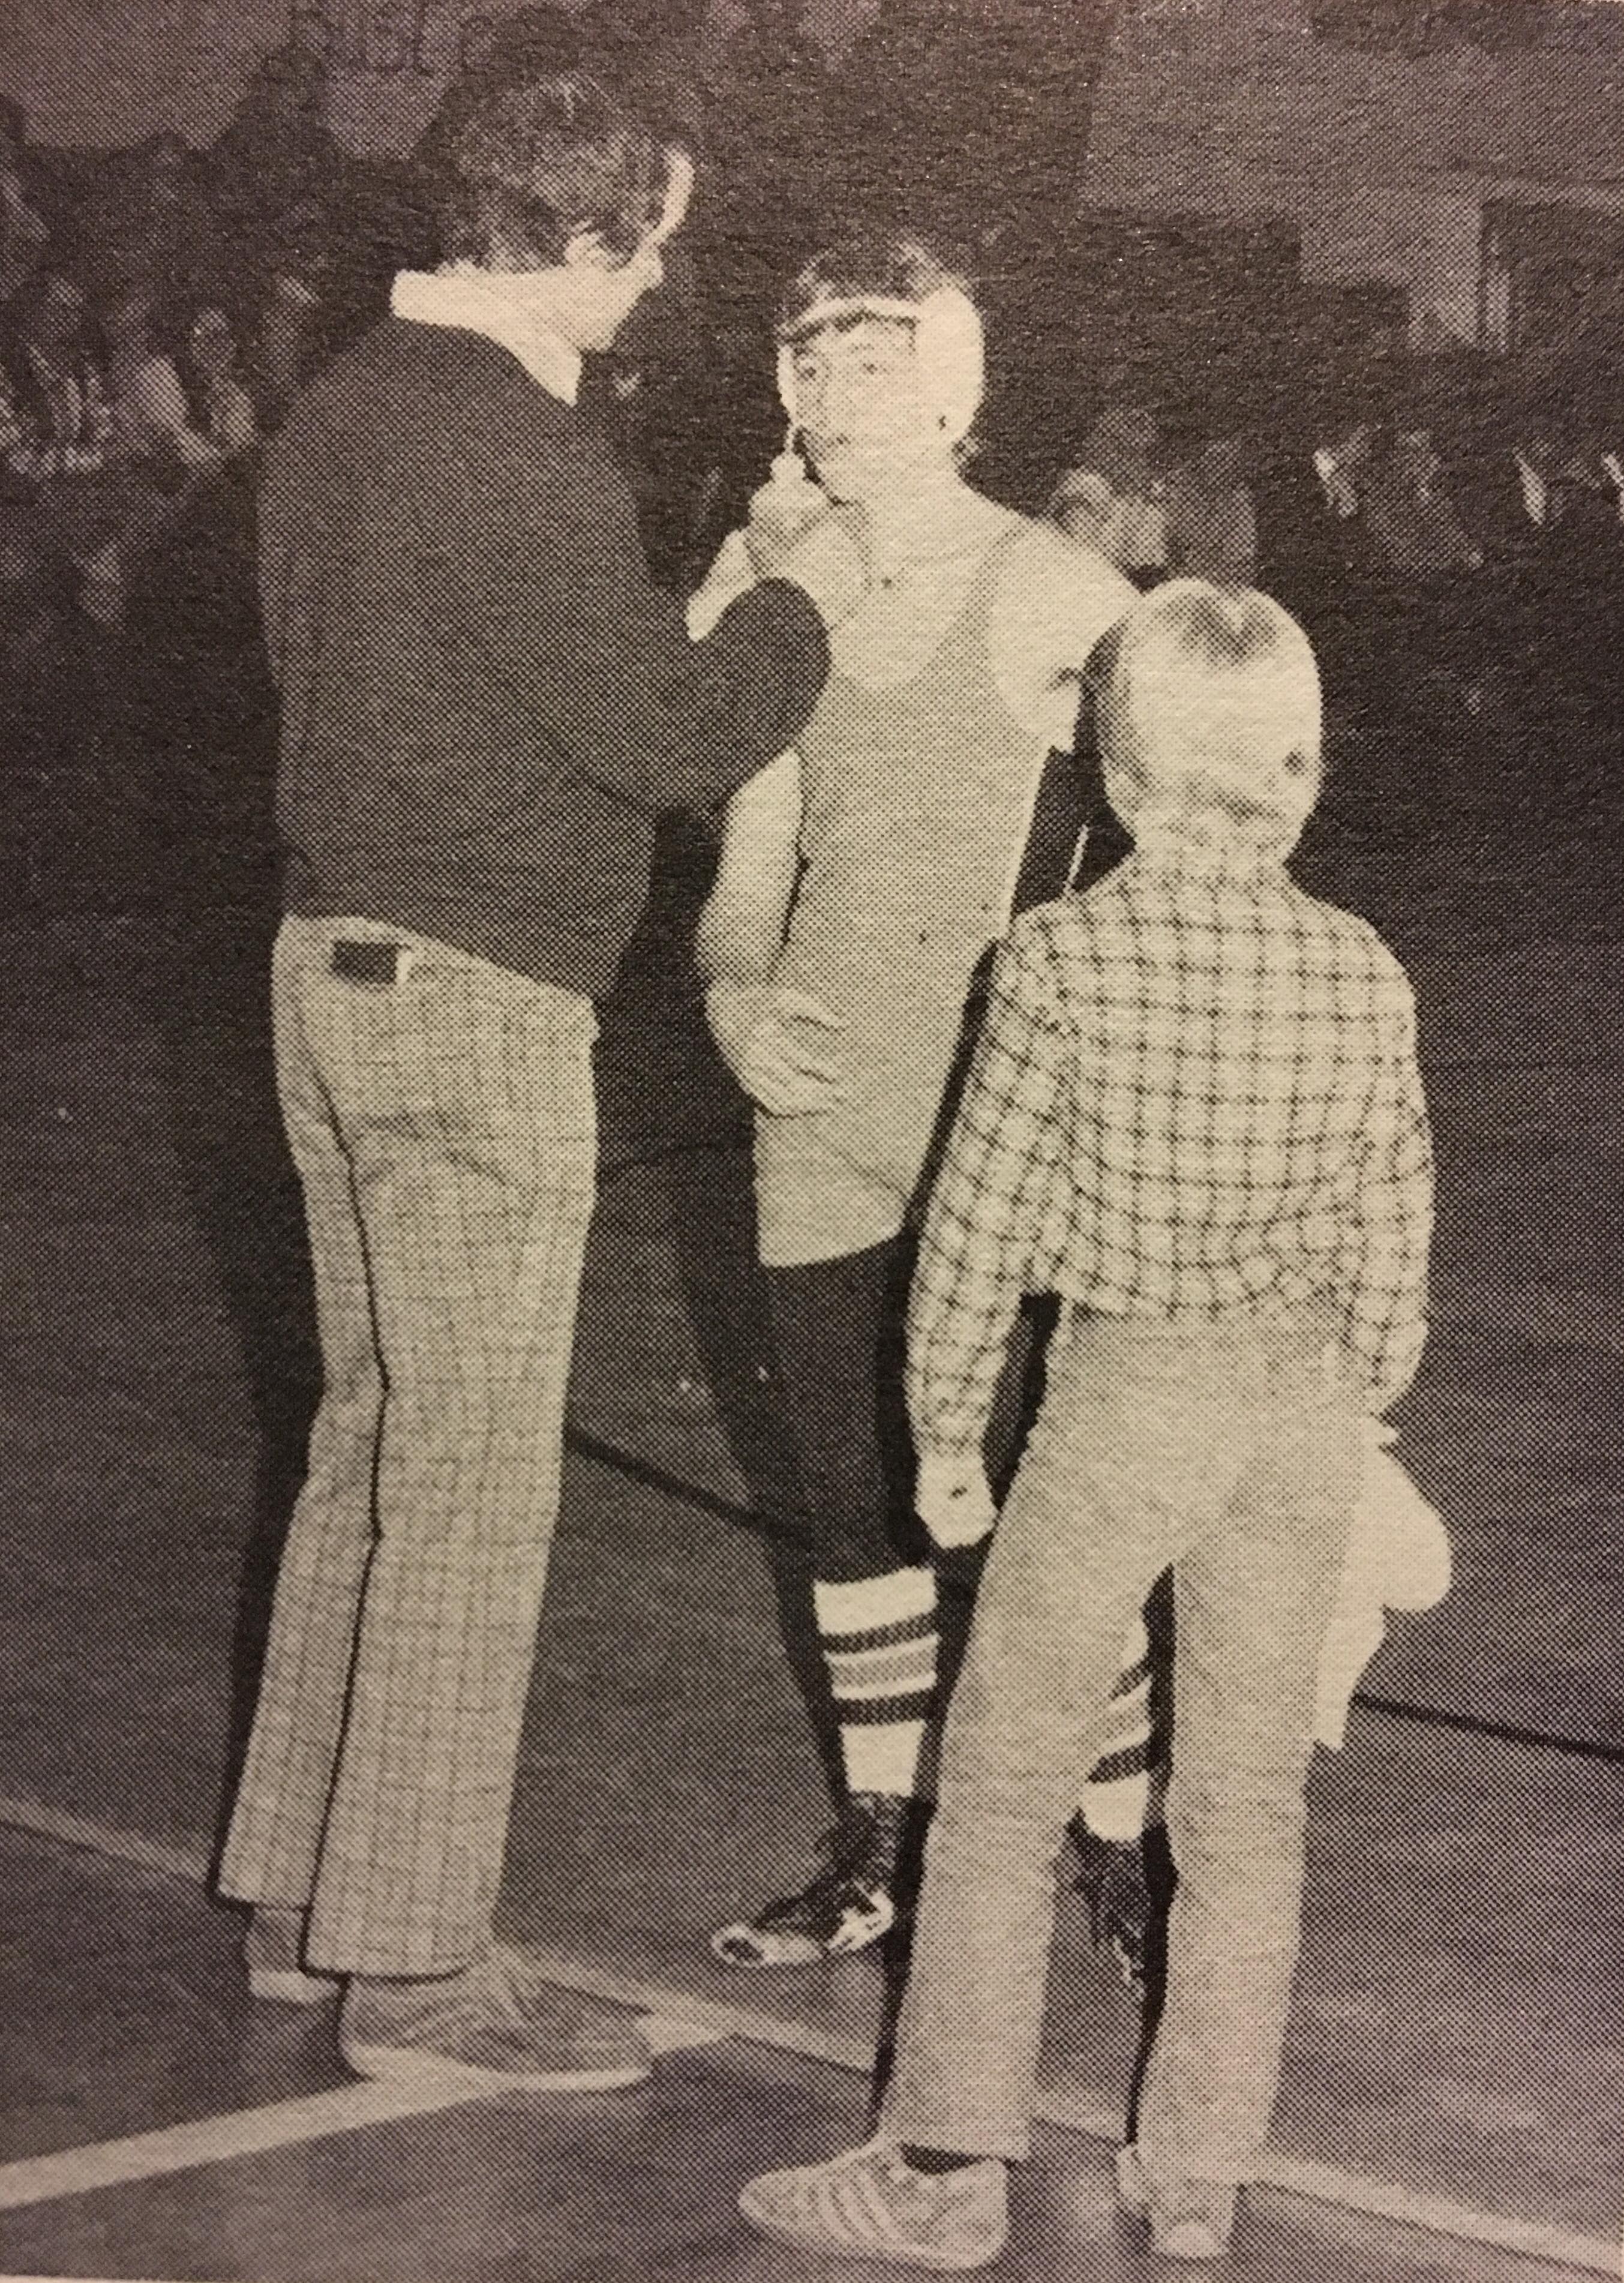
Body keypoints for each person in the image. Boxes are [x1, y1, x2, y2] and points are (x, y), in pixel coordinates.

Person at [214, 46, 860, 2098]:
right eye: (650, 247)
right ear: (576, 238)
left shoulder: (343, 415)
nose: (659, 285)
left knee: (371, 1444)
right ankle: (413, 1975)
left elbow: (523, 674)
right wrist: (791, 607)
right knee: (473, 1485)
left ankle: (302, 1914)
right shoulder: (517, 449)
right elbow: (670, 739)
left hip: (326, 974)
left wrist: (690, 620)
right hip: (479, 1005)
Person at [740, 579, 1434, 2267]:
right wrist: (1365, 1393)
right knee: (1246, 1799)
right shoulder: (1359, 968)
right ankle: (1196, 2176)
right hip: (1296, 1412)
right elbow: (1395, 1231)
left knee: (997, 1780)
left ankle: (944, 2172)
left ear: (1112, 781)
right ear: (1305, 773)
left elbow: (977, 1225)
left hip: (1125, 1393)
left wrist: (945, 1433)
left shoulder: (1057, 956)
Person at [691, 232, 1135, 1969]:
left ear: (953, 393)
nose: (833, 395)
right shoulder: (777, 596)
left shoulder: (1048, 590)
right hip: (818, 1100)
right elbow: (745, 858)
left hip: (1000, 1119)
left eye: (872, 364)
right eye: (808, 363)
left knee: (1041, 1491)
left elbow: (1208, 807)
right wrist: (727, 991)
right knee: (845, 1491)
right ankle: (879, 1830)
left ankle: (1116, 1833)